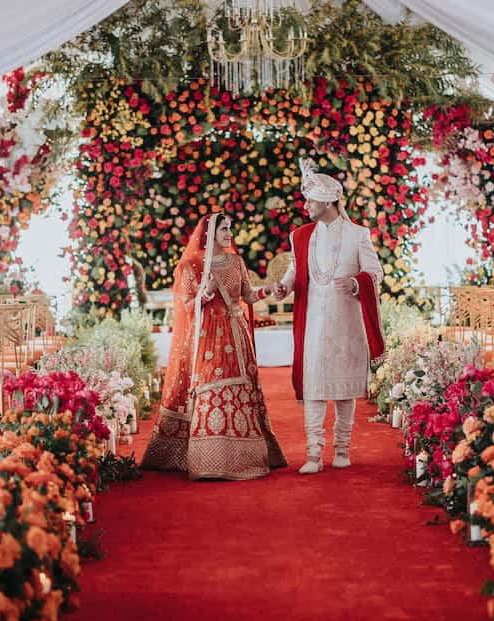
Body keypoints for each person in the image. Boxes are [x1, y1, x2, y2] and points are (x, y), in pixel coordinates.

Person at [142, 212, 287, 479]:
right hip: (208, 336)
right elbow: (186, 307)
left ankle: (243, 458)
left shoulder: (236, 262)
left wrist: (268, 290)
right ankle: (208, 459)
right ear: (209, 233)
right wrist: (206, 292)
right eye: (224, 228)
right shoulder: (190, 266)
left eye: (230, 228)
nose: (229, 233)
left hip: (237, 336)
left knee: (240, 390)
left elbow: (248, 295)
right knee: (211, 386)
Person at [271, 160, 384, 474]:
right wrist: (284, 286)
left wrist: (355, 283)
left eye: (310, 200)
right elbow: (296, 269)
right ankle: (313, 455)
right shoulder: (301, 236)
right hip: (314, 324)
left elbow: (375, 272)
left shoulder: (358, 235)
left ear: (328, 201)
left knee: (344, 389)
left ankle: (343, 449)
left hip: (346, 321)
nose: (306, 206)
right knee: (314, 387)